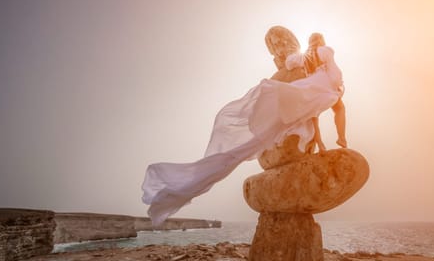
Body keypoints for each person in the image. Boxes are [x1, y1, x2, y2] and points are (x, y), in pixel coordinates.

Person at [142, 27, 345, 226]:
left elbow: (311, 110)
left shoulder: (306, 68)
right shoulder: (302, 68)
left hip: (294, 126)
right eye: (275, 46)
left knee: (237, 156)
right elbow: (309, 103)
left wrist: (318, 139)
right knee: (234, 155)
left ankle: (180, 186)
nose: (281, 47)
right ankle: (179, 186)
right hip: (283, 129)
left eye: (284, 42)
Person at [303, 33, 347, 149]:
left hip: (310, 86)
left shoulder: (304, 56)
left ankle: (320, 144)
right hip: (325, 84)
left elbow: (290, 63)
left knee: (314, 116)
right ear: (321, 40)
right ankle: (341, 138)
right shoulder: (325, 50)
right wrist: (337, 85)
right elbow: (333, 69)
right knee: (339, 108)